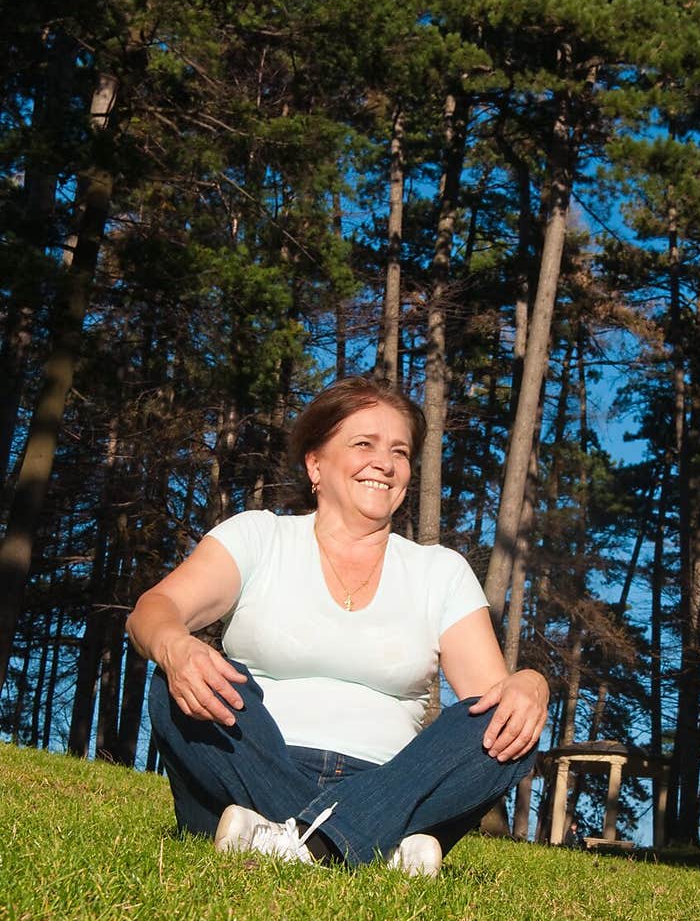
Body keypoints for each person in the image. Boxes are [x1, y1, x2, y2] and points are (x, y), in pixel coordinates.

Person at [126, 374, 549, 878]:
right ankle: (367, 844)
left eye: (399, 451)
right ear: (315, 464)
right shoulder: (260, 537)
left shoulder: (440, 572)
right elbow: (153, 610)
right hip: (252, 765)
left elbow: (489, 702)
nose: (384, 463)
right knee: (171, 680)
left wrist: (531, 684)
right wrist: (175, 646)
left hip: (392, 781)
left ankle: (289, 836)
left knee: (512, 724)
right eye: (363, 444)